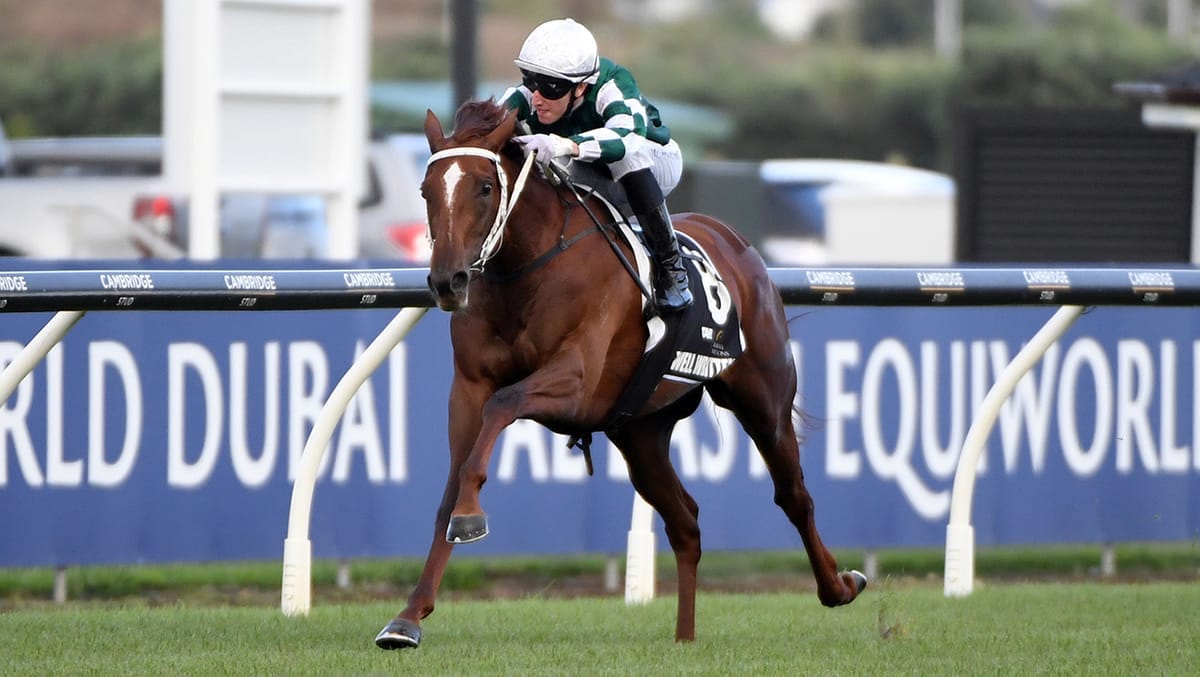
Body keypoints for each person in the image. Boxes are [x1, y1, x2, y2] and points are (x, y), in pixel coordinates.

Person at [501, 18, 692, 312]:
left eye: (550, 87)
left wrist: (563, 145)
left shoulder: (612, 86)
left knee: (623, 155)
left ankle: (671, 267)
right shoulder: (534, 95)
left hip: (656, 162)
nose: (537, 98)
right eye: (531, 81)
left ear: (581, 88)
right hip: (595, 168)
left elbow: (626, 138)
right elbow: (488, 121)